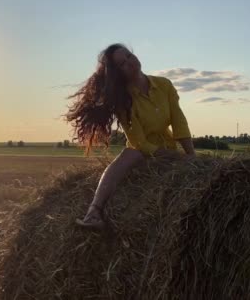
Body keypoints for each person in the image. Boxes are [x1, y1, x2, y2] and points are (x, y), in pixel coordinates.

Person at [66, 43, 195, 229]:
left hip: (167, 146)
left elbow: (179, 121)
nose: (130, 62)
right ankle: (94, 211)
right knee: (130, 154)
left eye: (128, 56)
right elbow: (139, 142)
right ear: (118, 73)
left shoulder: (164, 85)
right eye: (122, 63)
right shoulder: (124, 100)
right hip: (143, 150)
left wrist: (191, 157)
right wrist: (168, 156)